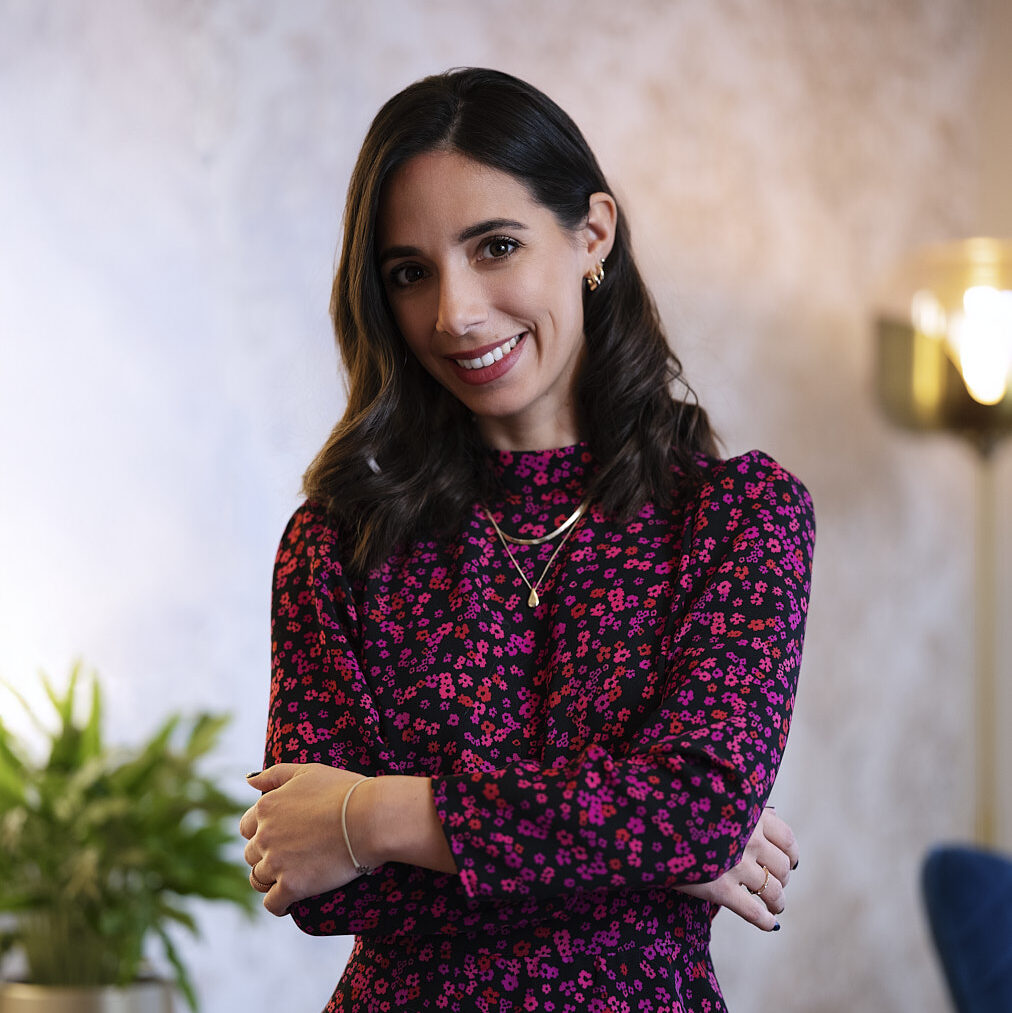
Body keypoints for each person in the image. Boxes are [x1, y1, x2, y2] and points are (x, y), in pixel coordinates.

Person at [240, 67, 814, 1013]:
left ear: (592, 233)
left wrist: (373, 811)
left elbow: (698, 814)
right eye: (410, 271)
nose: (454, 313)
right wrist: (635, 848)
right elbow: (312, 881)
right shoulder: (339, 541)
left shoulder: (739, 518)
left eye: (495, 246)